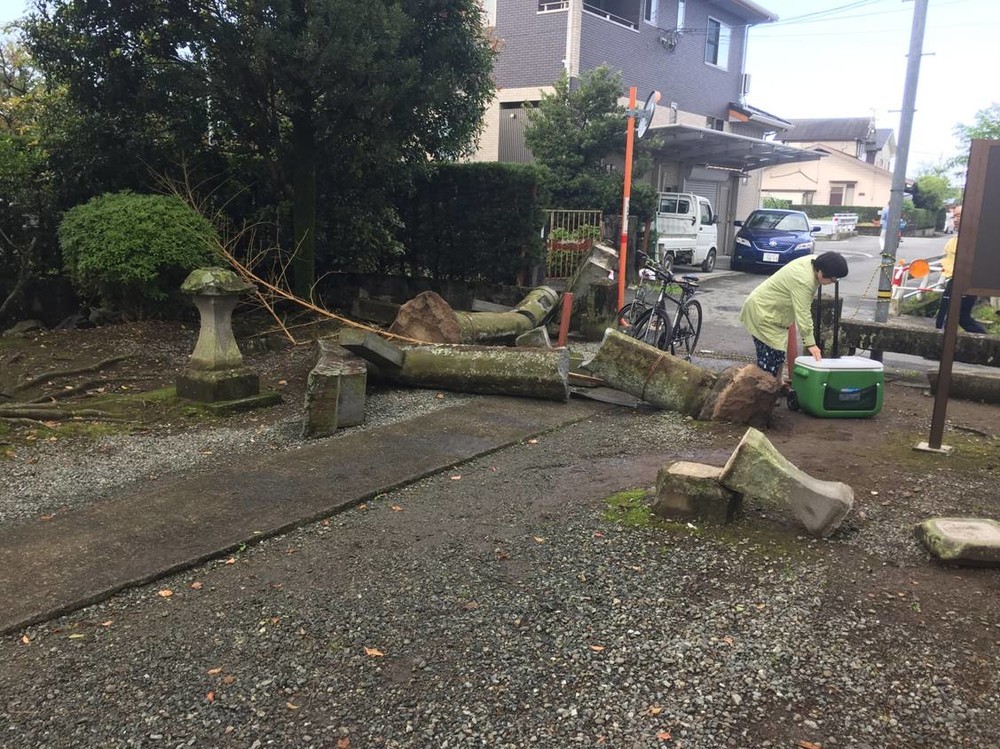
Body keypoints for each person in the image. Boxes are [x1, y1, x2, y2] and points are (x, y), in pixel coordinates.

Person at [739, 252, 849, 382]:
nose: (833, 282)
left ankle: (774, 387)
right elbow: (803, 313)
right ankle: (756, 391)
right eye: (833, 279)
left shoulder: (814, 262)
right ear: (821, 272)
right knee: (769, 364)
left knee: (776, 358)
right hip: (764, 312)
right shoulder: (804, 280)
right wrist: (811, 344)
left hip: (773, 313)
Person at [934, 206, 986, 333]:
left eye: (959, 215)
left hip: (964, 281)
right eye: (954, 216)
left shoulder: (973, 237)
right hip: (954, 279)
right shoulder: (958, 238)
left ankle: (987, 341)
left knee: (956, 317)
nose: (956, 220)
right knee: (950, 316)